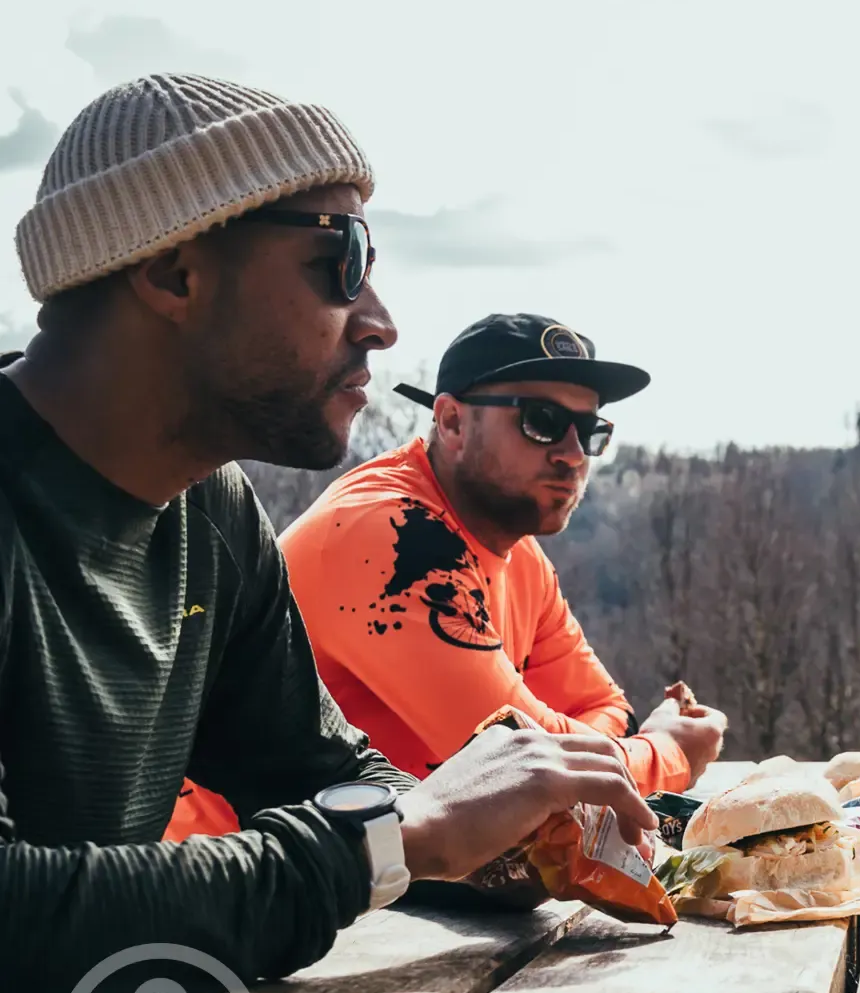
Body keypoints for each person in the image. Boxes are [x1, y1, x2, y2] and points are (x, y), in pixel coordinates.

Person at [0, 74, 655, 993]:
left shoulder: (210, 515)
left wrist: (511, 838)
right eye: (338, 259)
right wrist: (391, 842)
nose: (382, 322)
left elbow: (318, 771)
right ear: (174, 272)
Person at [163, 315, 726, 840]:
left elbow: (605, 710)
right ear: (452, 421)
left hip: (382, 873)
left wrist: (592, 746)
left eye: (591, 430)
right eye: (544, 422)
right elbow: (534, 772)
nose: (574, 455)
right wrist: (668, 752)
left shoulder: (518, 552)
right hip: (236, 890)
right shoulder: (393, 540)